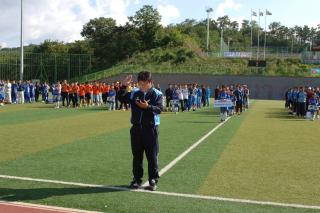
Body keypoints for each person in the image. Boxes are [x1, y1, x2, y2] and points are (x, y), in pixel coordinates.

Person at [123, 71, 163, 191]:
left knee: (152, 156)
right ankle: (137, 179)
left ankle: (152, 180)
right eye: (139, 84)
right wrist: (124, 86)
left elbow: (160, 109)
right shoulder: (135, 92)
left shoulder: (157, 94)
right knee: (137, 156)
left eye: (143, 84)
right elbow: (122, 98)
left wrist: (148, 107)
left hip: (151, 129)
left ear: (150, 82)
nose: (140, 86)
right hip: (136, 129)